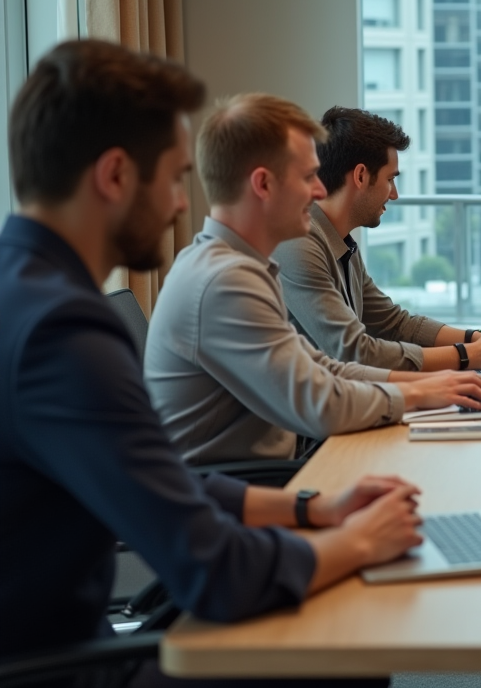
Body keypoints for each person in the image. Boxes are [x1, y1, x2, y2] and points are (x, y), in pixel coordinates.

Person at [0, 40, 423, 675]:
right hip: (72, 665)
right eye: (173, 178)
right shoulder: (62, 333)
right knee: (347, 642)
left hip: (76, 639)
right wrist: (358, 542)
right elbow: (216, 571)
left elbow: (164, 482)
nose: (181, 203)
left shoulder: (27, 292)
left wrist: (311, 508)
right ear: (115, 175)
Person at [145, 94, 481, 465]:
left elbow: (326, 369)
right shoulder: (224, 281)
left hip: (273, 468)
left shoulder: (242, 267)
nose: (318, 191)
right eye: (308, 177)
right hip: (244, 487)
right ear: (263, 185)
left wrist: (435, 383)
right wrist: (427, 389)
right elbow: (321, 403)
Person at [275, 107, 481, 372]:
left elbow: (394, 323)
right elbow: (355, 351)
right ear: (361, 176)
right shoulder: (298, 245)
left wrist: (480, 339)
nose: (394, 194)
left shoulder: (342, 245)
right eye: (390, 179)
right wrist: (470, 355)